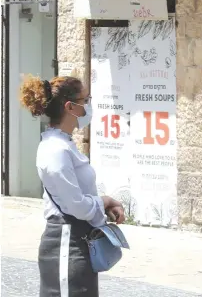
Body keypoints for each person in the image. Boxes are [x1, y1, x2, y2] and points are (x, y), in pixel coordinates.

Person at [19, 75, 126, 297]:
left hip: (78, 242)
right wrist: (104, 201)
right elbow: (76, 205)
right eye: (85, 100)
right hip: (66, 245)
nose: (89, 105)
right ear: (70, 107)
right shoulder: (55, 150)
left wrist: (102, 204)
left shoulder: (64, 145)